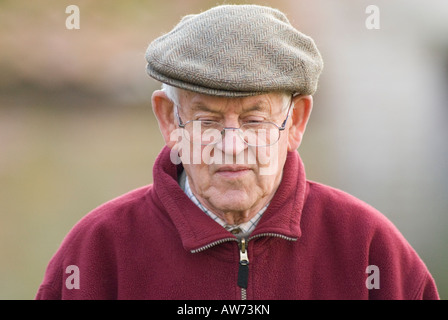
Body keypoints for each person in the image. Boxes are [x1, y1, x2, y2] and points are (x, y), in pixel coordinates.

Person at [36, 4, 439, 300]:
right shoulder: (97, 250)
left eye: (254, 120)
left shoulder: (369, 248)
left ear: (296, 122)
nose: (232, 147)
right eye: (208, 121)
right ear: (169, 121)